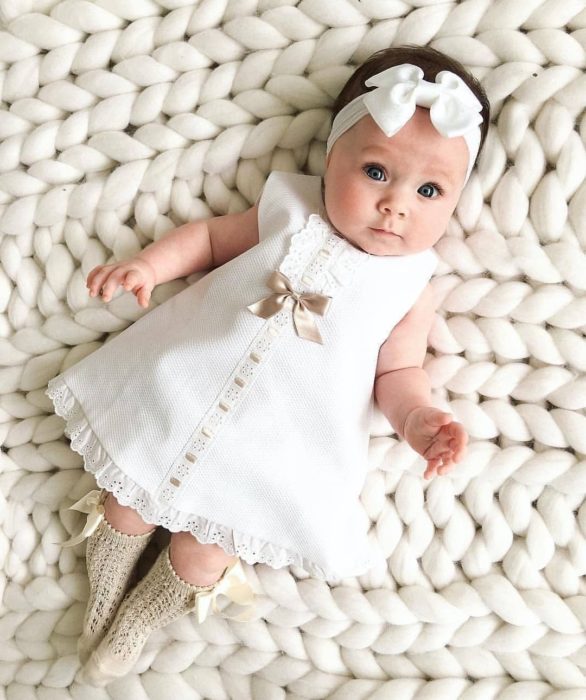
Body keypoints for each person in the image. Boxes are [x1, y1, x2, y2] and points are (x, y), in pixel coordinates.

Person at [45, 45, 490, 686]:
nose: (396, 205)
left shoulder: (411, 284)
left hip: (277, 446)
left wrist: (419, 419)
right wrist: (148, 266)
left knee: (206, 549)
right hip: (184, 389)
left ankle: (137, 623)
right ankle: (103, 598)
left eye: (428, 191)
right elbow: (206, 239)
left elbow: (397, 373)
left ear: (452, 203)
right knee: (126, 498)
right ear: (331, 156)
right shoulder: (288, 209)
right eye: (374, 171)